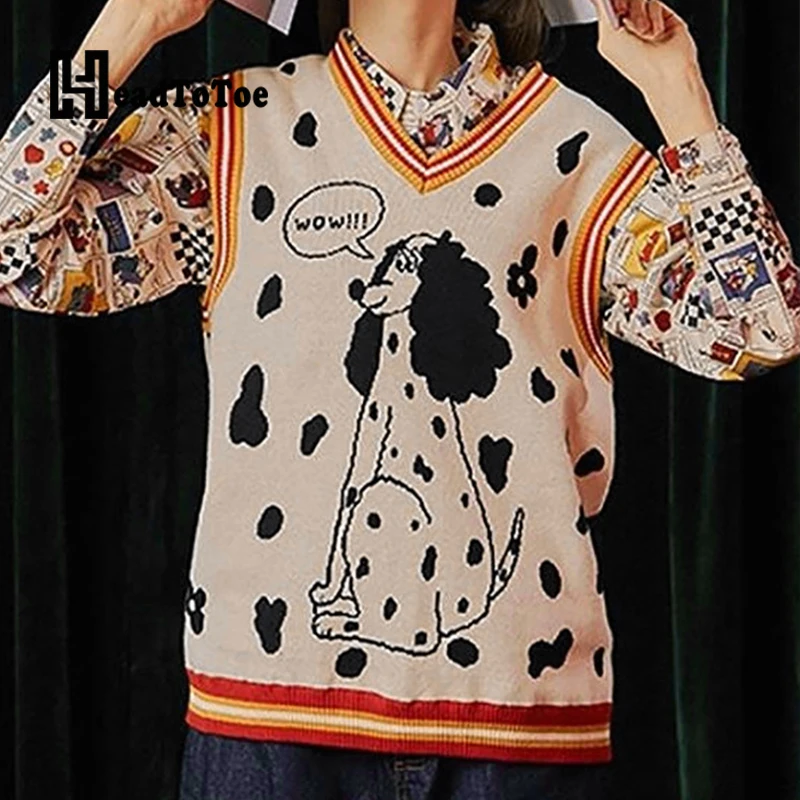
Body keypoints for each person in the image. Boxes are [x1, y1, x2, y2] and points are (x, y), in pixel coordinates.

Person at [1, 0, 798, 797]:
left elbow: (760, 328)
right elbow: (14, 250)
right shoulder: (229, 132)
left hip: (518, 719)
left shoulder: (579, 149)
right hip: (268, 713)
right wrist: (125, 29)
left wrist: (677, 91)